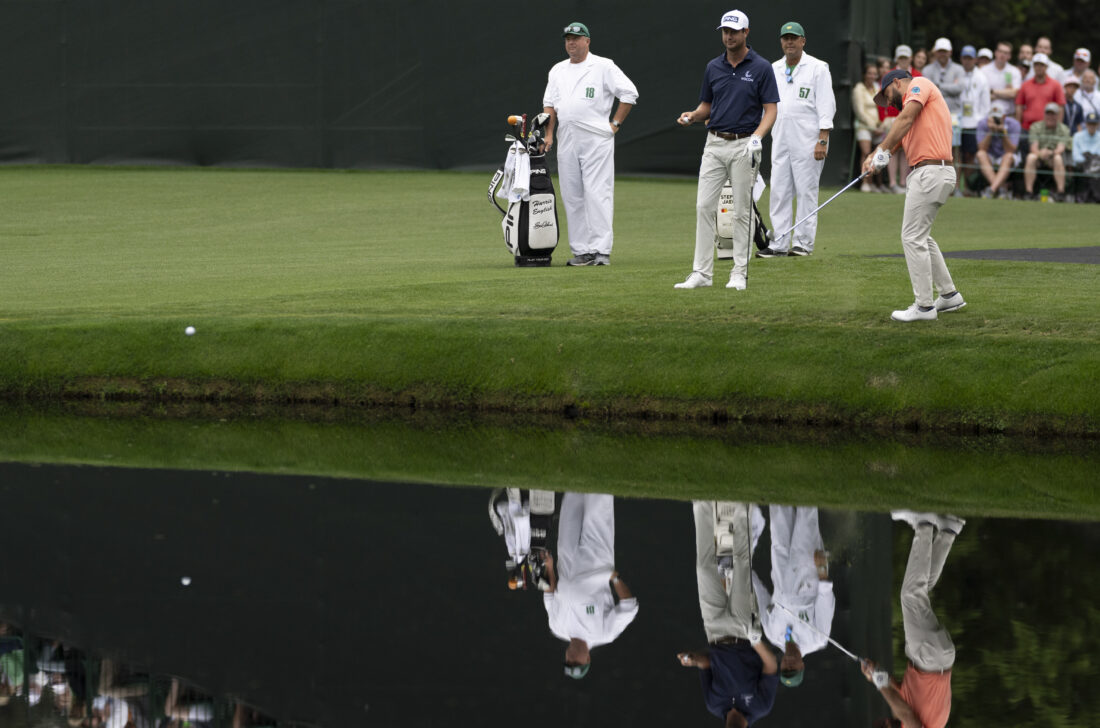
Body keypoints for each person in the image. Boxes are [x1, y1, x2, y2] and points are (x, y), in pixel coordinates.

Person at [674, 10, 778, 291]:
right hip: (714, 142)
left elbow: (771, 109)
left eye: (734, 31)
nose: (728, 36)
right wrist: (693, 116)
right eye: (725, 31)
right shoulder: (713, 67)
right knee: (704, 206)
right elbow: (707, 106)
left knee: (741, 212)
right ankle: (702, 273)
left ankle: (739, 273)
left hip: (745, 144)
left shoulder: (762, 67)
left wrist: (758, 136)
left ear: (746, 33)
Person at [863, 69, 967, 322]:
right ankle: (949, 295)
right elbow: (899, 137)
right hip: (932, 172)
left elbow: (905, 119)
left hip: (931, 172)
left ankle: (924, 307)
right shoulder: (913, 113)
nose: (888, 103)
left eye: (887, 95)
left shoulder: (919, 85)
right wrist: (878, 156)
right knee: (922, 236)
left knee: (911, 237)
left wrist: (881, 150)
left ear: (897, 82)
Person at [541, 21, 638, 267]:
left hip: (596, 136)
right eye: (568, 39)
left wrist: (614, 124)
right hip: (567, 137)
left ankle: (601, 250)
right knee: (572, 194)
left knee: (597, 192)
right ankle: (582, 250)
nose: (571, 42)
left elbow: (629, 93)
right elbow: (550, 105)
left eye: (576, 38)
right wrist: (549, 135)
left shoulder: (603, 66)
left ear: (587, 41)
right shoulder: (557, 70)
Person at [678, 502, 779, 726]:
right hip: (744, 632)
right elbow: (771, 667)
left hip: (715, 631)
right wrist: (756, 642)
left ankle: (703, 504)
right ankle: (737, 505)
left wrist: (694, 659)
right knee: (739, 564)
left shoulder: (713, 705)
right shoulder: (760, 707)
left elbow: (706, 665)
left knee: (705, 568)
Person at [861, 511, 965, 728]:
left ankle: (948, 530)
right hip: (928, 659)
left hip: (940, 658)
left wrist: (875, 673)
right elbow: (906, 715)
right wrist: (880, 686)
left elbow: (896, 694)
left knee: (920, 589)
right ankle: (924, 523)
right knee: (910, 595)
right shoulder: (906, 719)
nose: (886, 722)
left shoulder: (901, 711)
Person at [758, 20, 835, 257]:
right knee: (779, 190)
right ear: (781, 41)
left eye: (794, 38)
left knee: (806, 191)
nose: (789, 42)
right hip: (781, 138)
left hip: (809, 139)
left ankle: (803, 242)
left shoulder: (818, 68)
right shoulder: (773, 69)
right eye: (785, 38)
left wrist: (823, 138)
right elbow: (765, 106)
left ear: (803, 41)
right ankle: (779, 242)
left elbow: (827, 104)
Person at [542, 492, 638, 679]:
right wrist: (615, 578)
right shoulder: (604, 634)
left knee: (571, 500)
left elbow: (549, 595)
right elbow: (630, 607)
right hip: (597, 561)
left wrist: (550, 568)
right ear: (587, 660)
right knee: (598, 501)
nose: (570, 658)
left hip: (566, 562)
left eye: (568, 661)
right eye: (575, 662)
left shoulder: (556, 627)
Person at [751, 506, 835, 690]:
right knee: (806, 514)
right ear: (802, 666)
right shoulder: (816, 639)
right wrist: (822, 570)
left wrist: (745, 573)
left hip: (780, 570)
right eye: (793, 669)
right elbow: (826, 602)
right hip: (807, 571)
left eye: (785, 669)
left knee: (778, 513)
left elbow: (760, 595)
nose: (789, 665)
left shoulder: (772, 634)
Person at [922, 38, 966, 192]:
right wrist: (949, 88)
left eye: (945, 51)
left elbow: (959, 88)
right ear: (936, 52)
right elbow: (926, 89)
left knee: (955, 150)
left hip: (953, 113)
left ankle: (955, 187)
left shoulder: (959, 69)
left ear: (950, 52)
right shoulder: (927, 70)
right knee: (932, 150)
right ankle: (934, 185)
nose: (942, 54)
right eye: (940, 51)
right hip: (933, 113)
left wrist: (938, 86)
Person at [881, 45, 922, 193]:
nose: (903, 60)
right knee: (892, 147)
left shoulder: (917, 75)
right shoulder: (889, 75)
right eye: (901, 58)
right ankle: (893, 183)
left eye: (906, 58)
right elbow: (885, 99)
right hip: (893, 117)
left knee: (906, 149)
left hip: (911, 116)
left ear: (910, 58)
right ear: (897, 59)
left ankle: (903, 182)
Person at [958, 45, 991, 193]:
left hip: (974, 123)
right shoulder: (957, 74)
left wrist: (980, 121)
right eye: (965, 58)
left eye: (970, 59)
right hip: (957, 121)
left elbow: (986, 104)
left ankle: (968, 187)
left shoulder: (981, 77)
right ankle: (956, 186)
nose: (967, 61)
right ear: (961, 59)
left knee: (970, 156)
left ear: (975, 59)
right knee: (957, 156)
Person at [1023, 104, 1071, 200]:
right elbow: (1033, 147)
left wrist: (1051, 153)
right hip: (1038, 156)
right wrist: (1040, 154)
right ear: (1044, 115)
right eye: (1048, 114)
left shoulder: (1064, 129)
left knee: (1058, 158)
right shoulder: (1035, 126)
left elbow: (1061, 148)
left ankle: (1060, 192)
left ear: (1057, 116)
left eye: (1053, 114)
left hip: (1053, 157)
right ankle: (1029, 192)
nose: (1050, 117)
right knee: (1030, 157)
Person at [853, 63, 888, 192]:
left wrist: (881, 126)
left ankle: (876, 184)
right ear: (864, 75)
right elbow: (860, 111)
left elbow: (883, 108)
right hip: (864, 126)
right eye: (870, 73)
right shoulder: (858, 88)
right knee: (866, 151)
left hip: (878, 128)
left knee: (879, 154)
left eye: (874, 73)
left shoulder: (877, 87)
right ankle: (865, 183)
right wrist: (873, 127)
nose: (872, 76)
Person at [975, 108, 1022, 198]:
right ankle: (1000, 189)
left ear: (1004, 117)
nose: (996, 120)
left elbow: (1011, 150)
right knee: (980, 154)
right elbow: (981, 148)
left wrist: (1003, 132)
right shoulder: (983, 123)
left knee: (1008, 156)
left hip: (1006, 156)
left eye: (998, 118)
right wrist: (991, 132)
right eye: (994, 118)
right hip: (990, 156)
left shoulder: (1014, 124)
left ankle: (992, 190)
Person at [1016, 53, 1066, 131]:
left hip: (1048, 129)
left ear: (1046, 67)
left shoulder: (1056, 85)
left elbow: (1060, 107)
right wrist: (1018, 125)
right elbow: (1019, 106)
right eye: (1036, 65)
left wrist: (1058, 127)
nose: (1039, 68)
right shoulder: (1025, 85)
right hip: (1027, 128)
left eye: (1041, 65)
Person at [983, 41, 1022, 118]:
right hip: (988, 116)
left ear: (1009, 56)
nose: (1002, 55)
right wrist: (1005, 94)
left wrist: (992, 91)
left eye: (1006, 53)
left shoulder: (1014, 71)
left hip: (1008, 115)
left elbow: (1014, 93)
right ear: (995, 52)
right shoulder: (984, 71)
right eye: (1000, 51)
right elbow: (983, 95)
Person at [1071, 112, 1100, 202]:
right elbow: (1076, 156)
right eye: (1090, 123)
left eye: (1094, 124)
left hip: (1097, 164)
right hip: (1082, 165)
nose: (1092, 126)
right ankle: (1085, 196)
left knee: (1095, 168)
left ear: (1098, 124)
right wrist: (1087, 161)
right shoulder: (1077, 136)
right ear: (1086, 124)